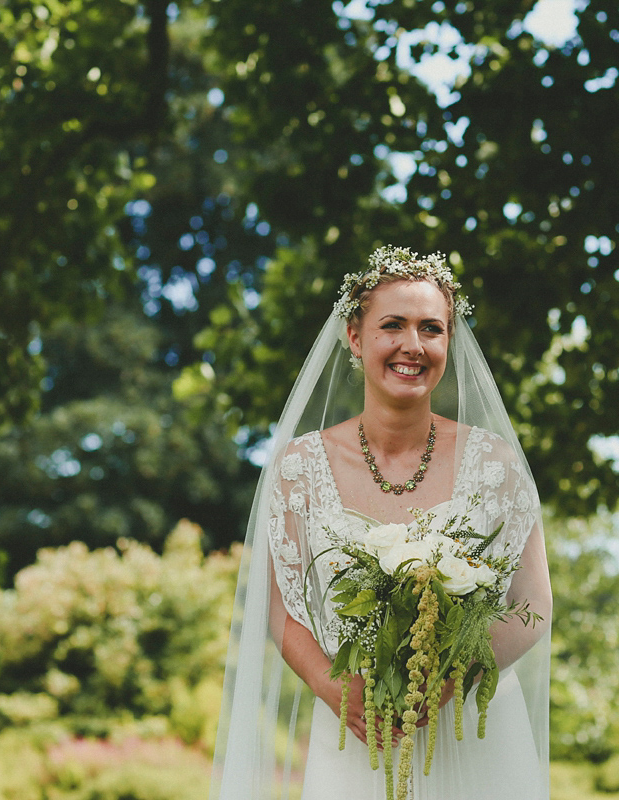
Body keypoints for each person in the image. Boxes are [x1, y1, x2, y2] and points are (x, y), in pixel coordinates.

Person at [209, 246, 552, 799]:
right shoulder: (299, 469)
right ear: (354, 336)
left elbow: (533, 606)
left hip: (474, 735)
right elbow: (279, 607)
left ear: (449, 342)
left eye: (431, 329)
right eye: (392, 325)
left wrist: (451, 677)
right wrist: (335, 687)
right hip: (353, 730)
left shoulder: (495, 465)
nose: (412, 346)